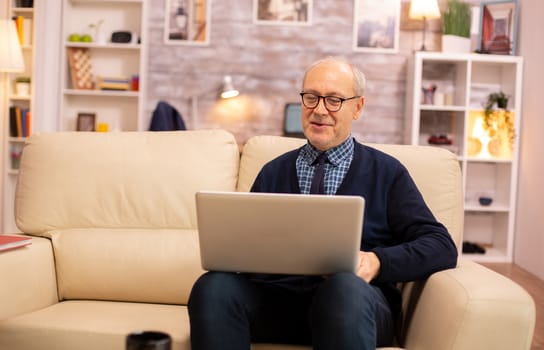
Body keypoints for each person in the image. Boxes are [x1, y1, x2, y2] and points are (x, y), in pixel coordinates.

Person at [188, 56, 458, 350]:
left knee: (342, 289)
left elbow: (440, 245)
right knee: (212, 287)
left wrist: (376, 261)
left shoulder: (387, 173)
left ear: (358, 107)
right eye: (312, 97)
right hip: (279, 304)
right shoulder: (272, 172)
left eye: (333, 100)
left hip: (353, 306)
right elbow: (244, 247)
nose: (319, 110)